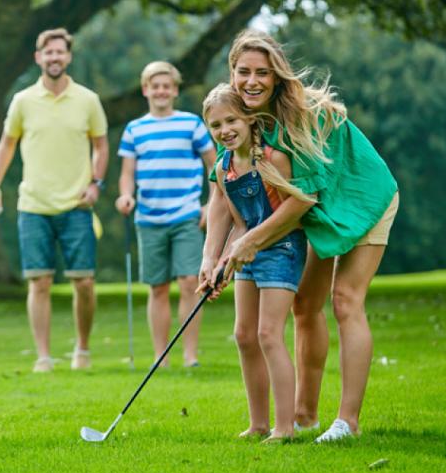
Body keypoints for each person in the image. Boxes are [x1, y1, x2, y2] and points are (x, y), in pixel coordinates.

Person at [199, 29, 399, 443]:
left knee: (345, 301)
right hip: (322, 208)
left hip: (363, 197)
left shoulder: (298, 115)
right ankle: (305, 416)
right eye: (243, 72)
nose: (252, 81)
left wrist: (248, 242)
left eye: (262, 72)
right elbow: (223, 190)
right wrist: (212, 257)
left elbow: (302, 199)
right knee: (304, 306)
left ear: (276, 75)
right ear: (231, 73)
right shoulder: (243, 118)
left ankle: (347, 422)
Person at [0, 28, 109, 373]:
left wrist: (96, 183)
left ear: (68, 57)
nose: (54, 58)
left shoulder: (88, 100)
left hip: (77, 205)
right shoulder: (23, 101)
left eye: (60, 52)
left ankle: (82, 349)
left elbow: (101, 145)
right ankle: (43, 356)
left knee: (83, 282)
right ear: (38, 57)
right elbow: (6, 145)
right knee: (39, 282)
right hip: (34, 205)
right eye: (48, 52)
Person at [201, 83, 313, 442]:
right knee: (244, 335)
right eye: (216, 126)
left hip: (282, 250)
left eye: (231, 120)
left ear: (249, 119)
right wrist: (220, 263)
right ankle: (259, 424)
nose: (225, 131)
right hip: (248, 250)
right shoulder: (223, 168)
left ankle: (285, 427)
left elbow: (294, 214)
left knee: (268, 334)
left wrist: (250, 244)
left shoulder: (273, 158)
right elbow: (238, 223)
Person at [115, 61, 215, 367]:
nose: (161, 91)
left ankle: (190, 355)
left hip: (186, 214)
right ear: (146, 90)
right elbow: (127, 173)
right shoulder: (135, 129)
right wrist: (125, 195)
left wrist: (211, 205)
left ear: (175, 90)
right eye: (155, 86)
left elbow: (214, 166)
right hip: (148, 217)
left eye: (166, 86)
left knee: (188, 282)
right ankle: (161, 356)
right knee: (157, 287)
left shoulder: (192, 124)